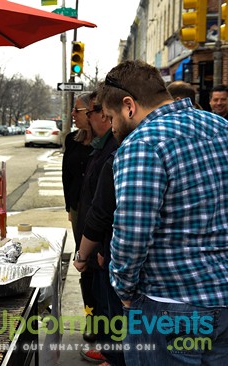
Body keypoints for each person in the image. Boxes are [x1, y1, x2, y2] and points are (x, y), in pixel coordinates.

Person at [98, 60, 228, 365]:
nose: (112, 127)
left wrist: (123, 288)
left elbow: (132, 232)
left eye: (110, 117)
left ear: (128, 106)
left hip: (171, 305)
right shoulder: (221, 128)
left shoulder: (142, 144)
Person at [73, 91, 119, 351]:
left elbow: (105, 208)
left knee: (107, 307)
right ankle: (104, 346)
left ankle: (109, 352)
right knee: (97, 298)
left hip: (103, 246)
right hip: (96, 241)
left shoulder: (113, 149)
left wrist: (98, 248)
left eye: (89, 112)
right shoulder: (101, 146)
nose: (88, 118)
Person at [73, 151, 125, 366]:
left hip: (121, 261)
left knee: (115, 311)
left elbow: (103, 212)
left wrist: (83, 255)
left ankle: (114, 358)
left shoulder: (124, 155)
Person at [62, 92, 93, 243]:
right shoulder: (72, 140)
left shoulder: (107, 142)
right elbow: (66, 176)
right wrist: (69, 207)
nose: (72, 114)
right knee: (79, 247)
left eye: (77, 110)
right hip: (76, 205)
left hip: (95, 208)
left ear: (90, 111)